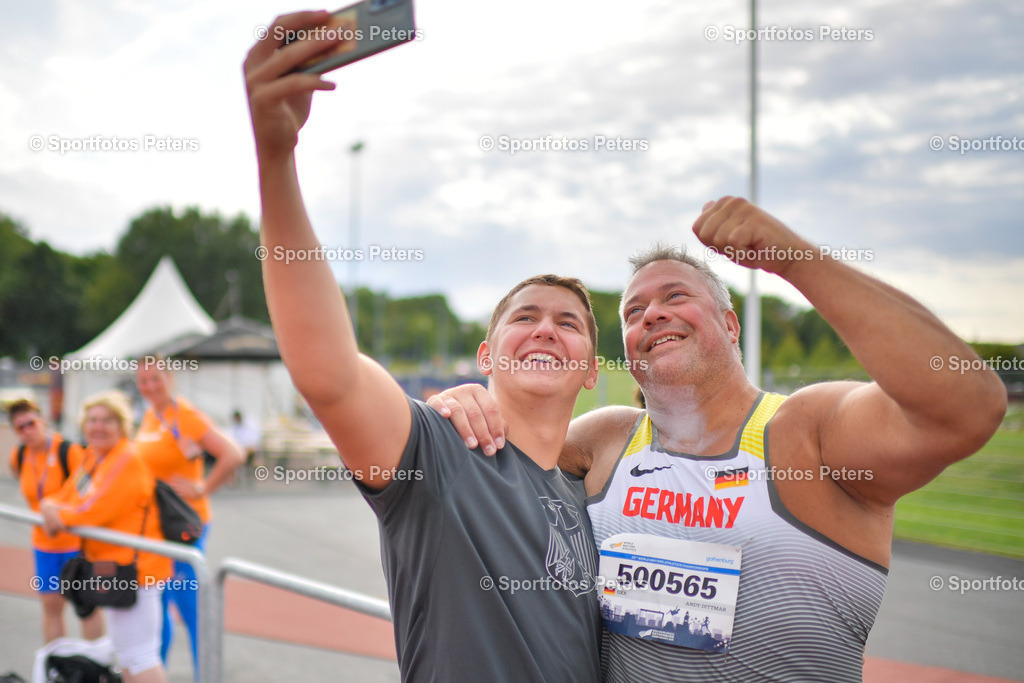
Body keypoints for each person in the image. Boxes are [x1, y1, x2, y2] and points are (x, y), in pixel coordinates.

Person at [430, 197, 1008, 682]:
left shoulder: (805, 432)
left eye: (675, 297)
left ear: (731, 325)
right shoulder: (606, 439)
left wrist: (795, 259)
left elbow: (966, 407)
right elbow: (494, 452)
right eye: (634, 310)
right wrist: (465, 403)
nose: (651, 314)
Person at [244, 13, 602, 680]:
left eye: (569, 322)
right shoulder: (440, 455)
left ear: (590, 371)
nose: (547, 328)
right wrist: (276, 159)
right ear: (487, 355)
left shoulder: (590, 490)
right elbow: (330, 375)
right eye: (525, 316)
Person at [40, 390, 172, 683]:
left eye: (108, 420)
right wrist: (52, 506)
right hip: (114, 569)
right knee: (128, 655)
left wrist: (56, 515)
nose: (98, 427)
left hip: (137, 572)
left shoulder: (125, 458)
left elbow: (92, 511)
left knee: (140, 656)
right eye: (93, 420)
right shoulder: (96, 457)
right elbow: (67, 497)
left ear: (122, 426)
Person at [132, 358, 244, 674]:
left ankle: (204, 675)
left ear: (171, 378)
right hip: (155, 526)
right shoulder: (151, 416)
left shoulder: (186, 416)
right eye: (143, 381)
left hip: (183, 524)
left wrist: (204, 488)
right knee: (158, 605)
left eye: (156, 378)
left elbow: (233, 454)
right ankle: (157, 675)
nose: (150, 386)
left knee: (191, 609)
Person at [7, 398, 104, 644]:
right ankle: (58, 667)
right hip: (44, 545)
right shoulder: (19, 456)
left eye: (31, 423)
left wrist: (60, 510)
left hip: (77, 545)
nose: (28, 431)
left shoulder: (67, 451)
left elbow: (89, 492)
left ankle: (94, 667)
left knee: (87, 606)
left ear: (43, 420)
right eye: (20, 427)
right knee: (51, 607)